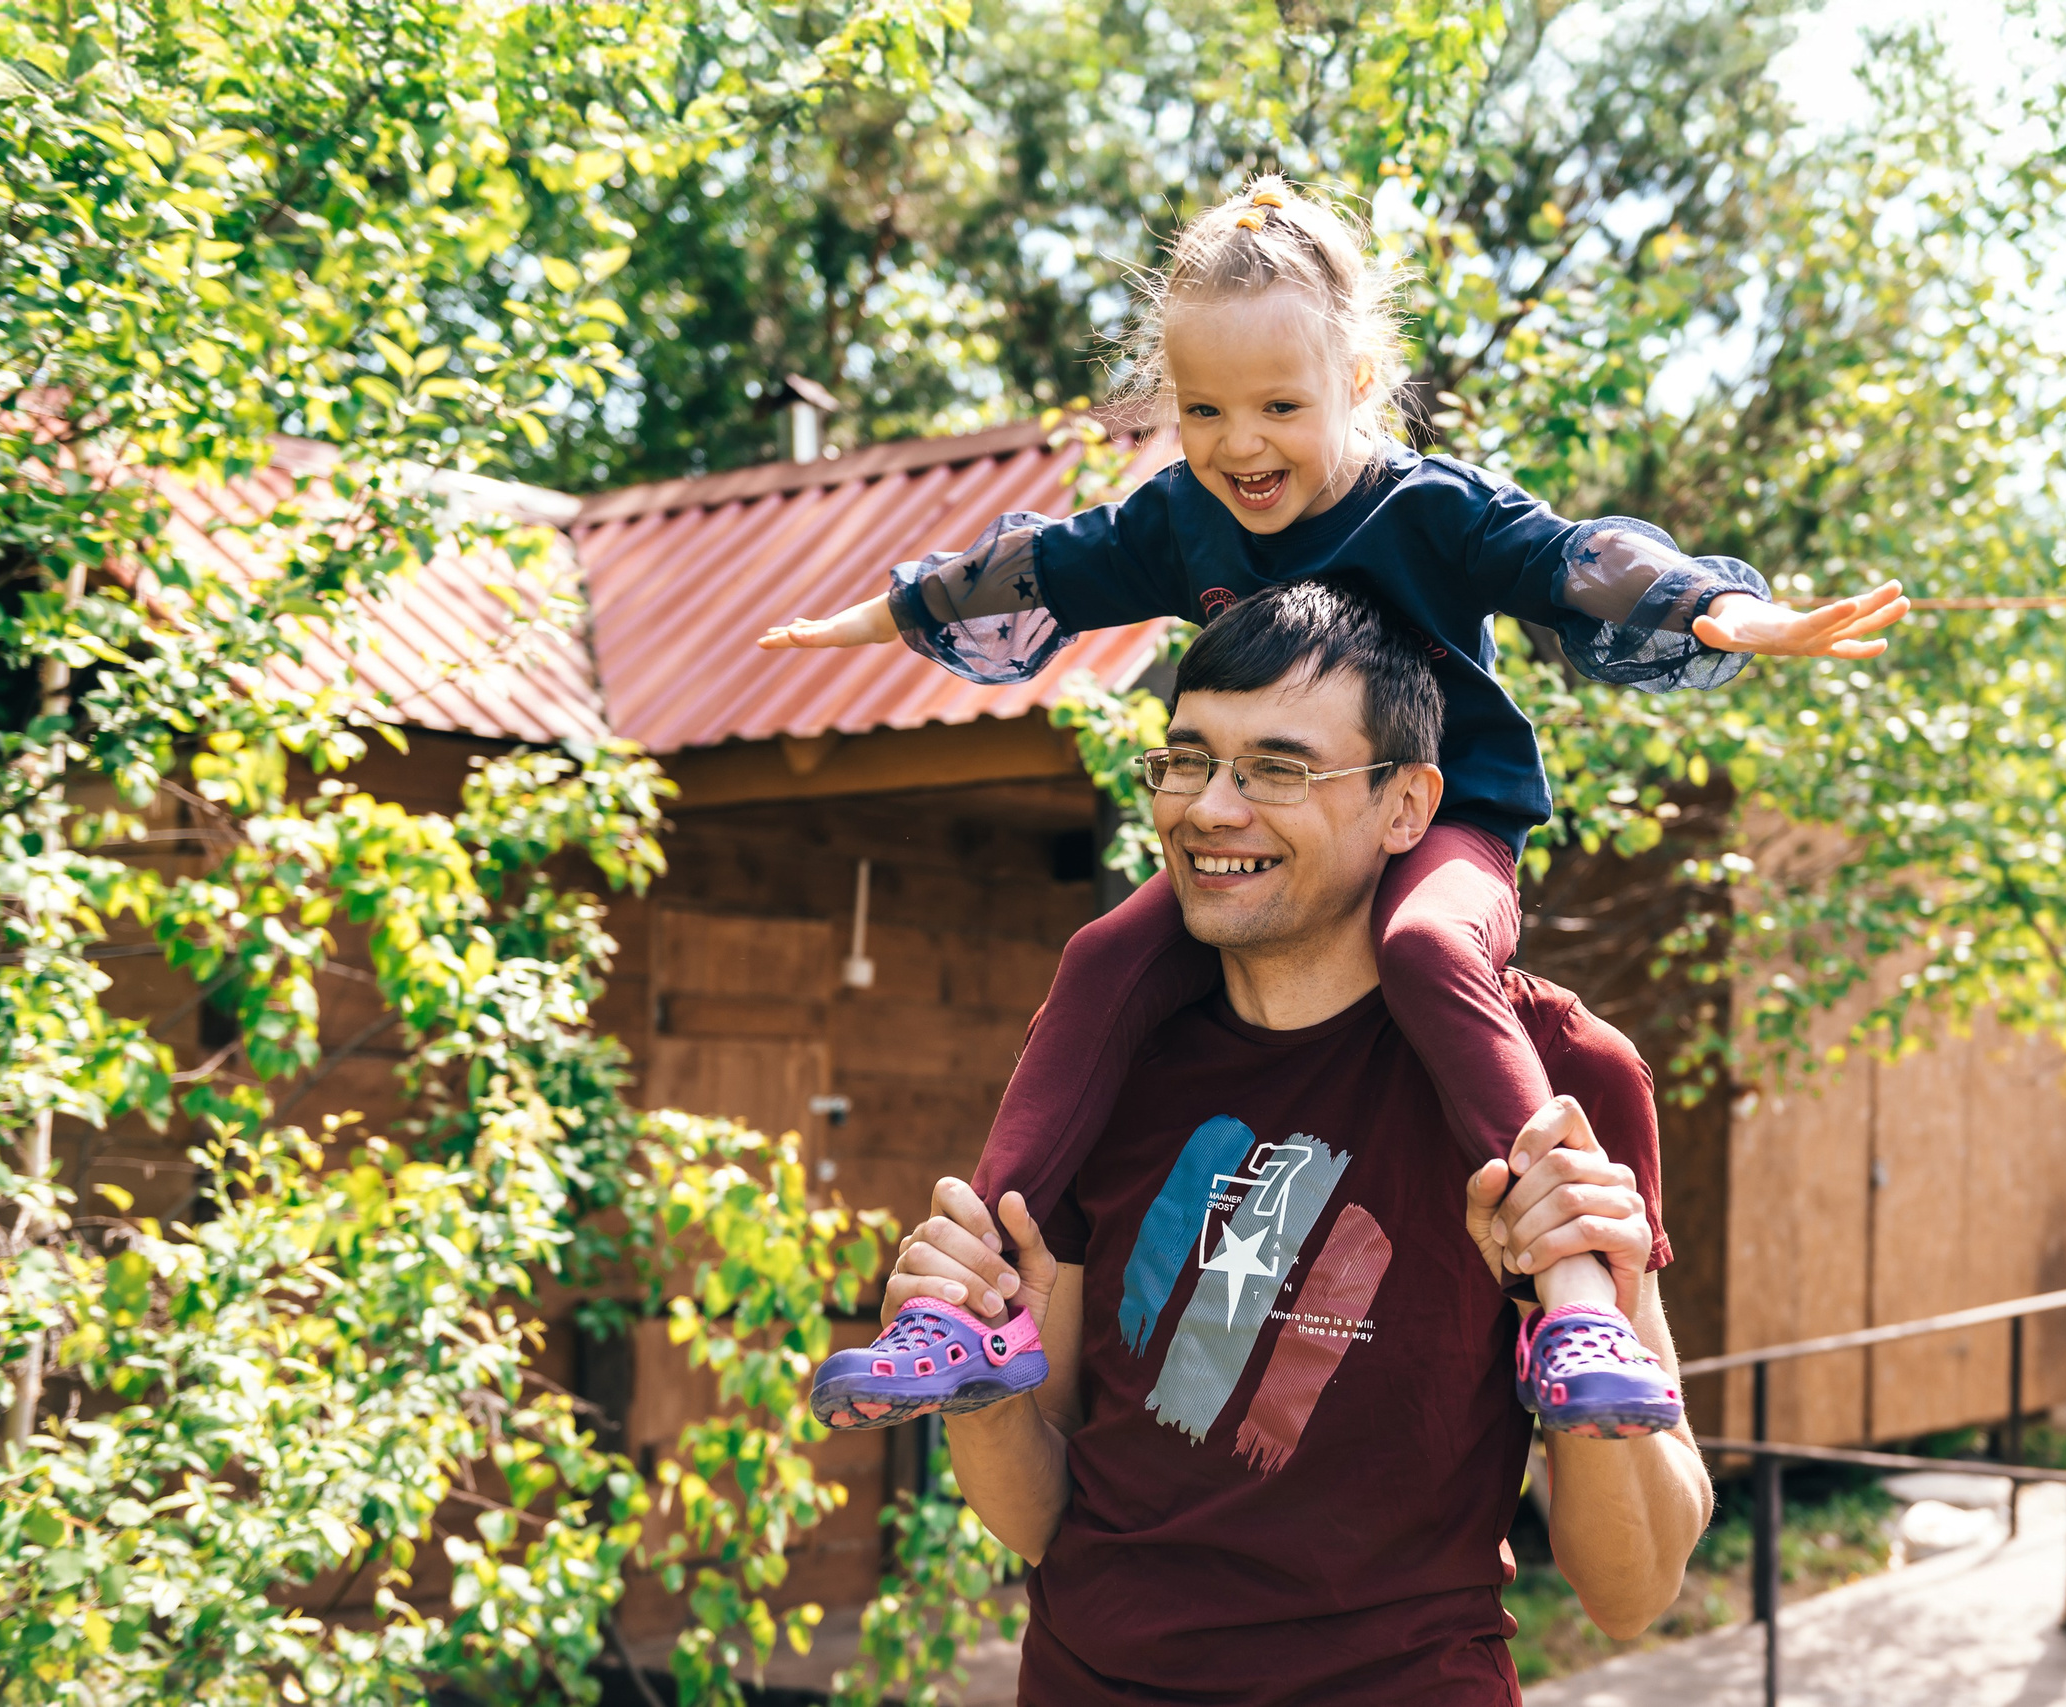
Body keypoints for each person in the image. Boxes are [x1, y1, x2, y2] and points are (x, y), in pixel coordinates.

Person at [767, 174, 1906, 1435]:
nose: (1239, 444)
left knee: (1423, 948)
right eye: (1202, 410)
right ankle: (969, 1304)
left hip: (1445, 818)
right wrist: (878, 615)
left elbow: (1573, 563)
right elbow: (1048, 567)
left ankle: (1575, 1302)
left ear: (1357, 382)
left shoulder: (1430, 508)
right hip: (1274, 829)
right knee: (1100, 957)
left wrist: (1725, 613)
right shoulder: (1184, 518)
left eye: (1278, 407)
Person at [818, 582, 1711, 1702]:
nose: (1209, 810)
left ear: (1406, 805)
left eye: (1278, 771)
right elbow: (1042, 1518)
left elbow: (1631, 1591)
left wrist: (1579, 1291)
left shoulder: (1554, 1076)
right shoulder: (1108, 1052)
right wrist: (985, 1381)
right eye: (1186, 762)